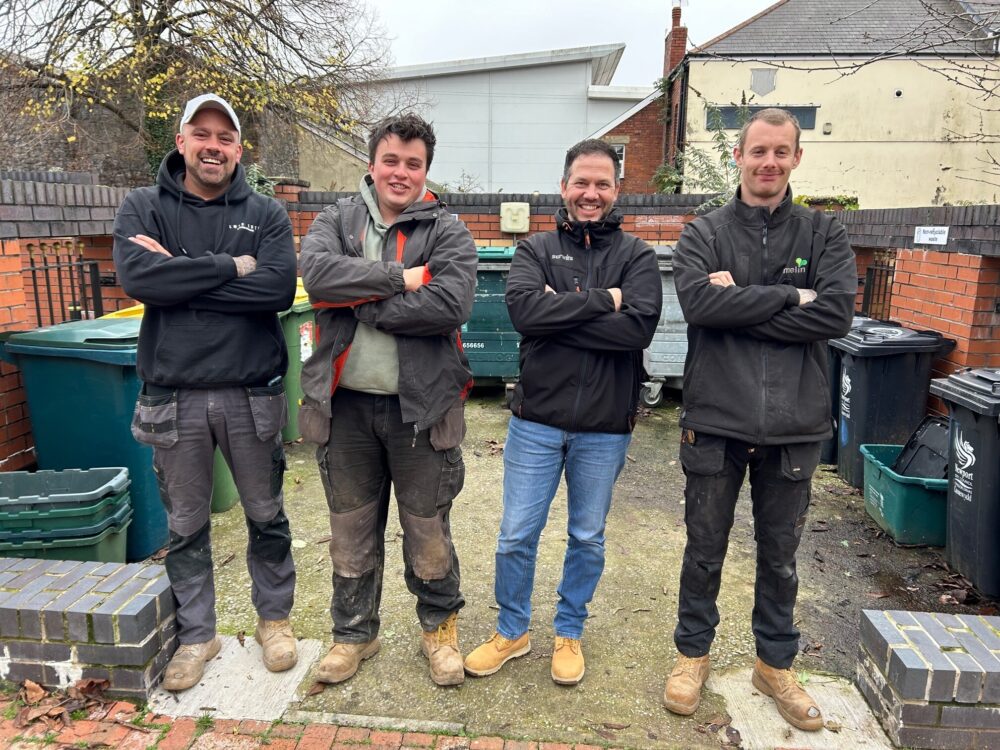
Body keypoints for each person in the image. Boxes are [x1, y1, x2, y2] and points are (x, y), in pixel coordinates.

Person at [663, 108, 856, 730]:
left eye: (781, 151)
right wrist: (786, 295)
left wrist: (737, 301)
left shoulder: (824, 235)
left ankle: (774, 666)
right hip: (717, 417)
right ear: (739, 157)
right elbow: (697, 303)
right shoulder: (706, 232)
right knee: (704, 549)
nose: (768, 162)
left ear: (796, 158)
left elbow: (833, 318)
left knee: (780, 556)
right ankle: (692, 655)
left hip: (796, 424)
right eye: (758, 151)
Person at [113, 93, 299, 691]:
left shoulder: (266, 213)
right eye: (202, 133)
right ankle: (198, 635)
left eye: (225, 136)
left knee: (265, 515)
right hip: (174, 397)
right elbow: (141, 278)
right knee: (186, 525)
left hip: (251, 393)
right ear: (182, 141)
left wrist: (184, 274)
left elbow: (274, 291)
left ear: (238, 149)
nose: (213, 145)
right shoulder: (144, 206)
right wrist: (230, 267)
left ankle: (275, 620)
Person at [464, 139, 662, 686]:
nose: (591, 194)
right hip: (536, 422)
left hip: (604, 427)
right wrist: (607, 300)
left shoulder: (638, 257)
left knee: (587, 537)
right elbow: (527, 313)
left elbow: (638, 330)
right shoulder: (535, 248)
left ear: (617, 190)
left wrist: (564, 308)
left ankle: (568, 632)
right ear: (564, 187)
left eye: (602, 184)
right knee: (515, 535)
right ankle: (513, 630)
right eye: (582, 182)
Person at [299, 113, 477, 687]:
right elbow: (318, 276)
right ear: (372, 163)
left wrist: (360, 300)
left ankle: (439, 631)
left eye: (414, 164)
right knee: (350, 530)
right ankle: (355, 634)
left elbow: (448, 306)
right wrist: (400, 279)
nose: (401, 173)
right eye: (392, 160)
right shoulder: (336, 218)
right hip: (345, 406)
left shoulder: (448, 230)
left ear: (427, 170)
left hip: (421, 411)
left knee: (427, 530)